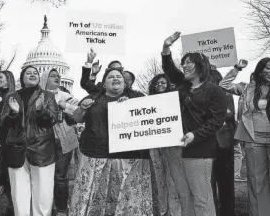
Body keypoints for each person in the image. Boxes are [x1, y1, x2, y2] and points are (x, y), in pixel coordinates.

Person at [69, 68, 152, 215]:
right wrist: (82, 108)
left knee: (122, 200)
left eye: (118, 76)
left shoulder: (136, 98)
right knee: (96, 198)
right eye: (110, 77)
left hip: (126, 158)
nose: (115, 78)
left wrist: (129, 106)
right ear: (104, 84)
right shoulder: (93, 98)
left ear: (125, 84)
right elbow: (76, 118)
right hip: (95, 156)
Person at [161, 32, 227, 216]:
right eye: (183, 62)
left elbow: (216, 121)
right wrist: (166, 47)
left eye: (189, 62)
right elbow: (169, 68)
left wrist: (194, 135)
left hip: (199, 150)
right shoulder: (182, 86)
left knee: (201, 198)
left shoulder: (214, 91)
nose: (184, 65)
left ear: (200, 65)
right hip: (175, 147)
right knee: (184, 196)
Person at [0, 65, 59, 216]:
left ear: (39, 78)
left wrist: (40, 110)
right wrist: (14, 113)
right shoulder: (11, 97)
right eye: (28, 73)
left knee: (43, 194)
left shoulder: (48, 96)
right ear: (22, 78)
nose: (32, 74)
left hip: (42, 150)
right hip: (17, 149)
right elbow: (3, 124)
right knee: (19, 194)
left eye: (35, 73)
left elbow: (52, 119)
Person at [220, 57, 270, 216]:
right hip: (254, 139)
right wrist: (237, 68)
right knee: (257, 180)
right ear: (261, 69)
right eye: (268, 68)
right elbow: (223, 85)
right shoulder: (248, 88)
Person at [40, 68, 79, 216]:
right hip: (43, 140)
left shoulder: (66, 96)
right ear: (45, 78)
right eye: (52, 76)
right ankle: (45, 207)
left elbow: (77, 114)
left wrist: (65, 106)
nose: (57, 78)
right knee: (44, 176)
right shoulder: (39, 96)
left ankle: (62, 209)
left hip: (64, 139)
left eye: (58, 76)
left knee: (61, 176)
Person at [148, 73, 181, 216]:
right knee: (158, 177)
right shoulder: (146, 102)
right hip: (154, 146)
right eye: (157, 83)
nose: (160, 85)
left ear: (168, 84)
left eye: (163, 83)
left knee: (173, 179)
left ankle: (175, 212)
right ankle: (161, 211)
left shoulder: (175, 99)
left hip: (171, 144)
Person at [209, 69, 236, 216]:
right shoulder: (198, 96)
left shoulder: (227, 95)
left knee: (226, 184)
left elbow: (231, 116)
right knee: (208, 184)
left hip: (224, 144)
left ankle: (228, 212)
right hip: (206, 145)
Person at [0, 71, 16, 216]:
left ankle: (11, 210)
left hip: (8, 144)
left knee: (8, 181)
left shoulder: (12, 97)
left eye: (1, 77)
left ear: (8, 80)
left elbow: (6, 122)